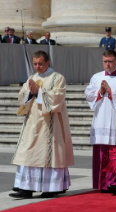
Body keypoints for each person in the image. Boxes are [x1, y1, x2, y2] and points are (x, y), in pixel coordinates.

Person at [9, 50, 74, 199]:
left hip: (51, 125)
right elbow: (22, 97)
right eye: (35, 64)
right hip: (32, 123)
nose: (37, 67)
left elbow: (57, 98)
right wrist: (30, 94)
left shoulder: (58, 78)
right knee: (28, 153)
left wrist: (40, 92)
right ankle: (25, 188)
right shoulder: (31, 78)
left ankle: (51, 187)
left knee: (48, 155)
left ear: (47, 62)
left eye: (40, 64)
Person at [85, 50, 116, 194]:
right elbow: (88, 94)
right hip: (100, 119)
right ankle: (102, 183)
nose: (107, 64)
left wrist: (111, 92)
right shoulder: (96, 77)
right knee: (102, 152)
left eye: (110, 61)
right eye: (105, 62)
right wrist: (100, 92)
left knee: (115, 152)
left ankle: (115, 183)